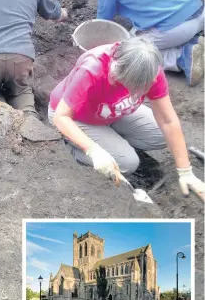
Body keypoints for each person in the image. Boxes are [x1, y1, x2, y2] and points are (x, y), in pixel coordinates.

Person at [48, 36, 204, 200]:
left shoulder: (150, 72)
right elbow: (61, 116)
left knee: (160, 135)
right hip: (74, 117)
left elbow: (168, 121)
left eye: (120, 82)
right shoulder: (92, 68)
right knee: (127, 163)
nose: (112, 79)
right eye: (114, 76)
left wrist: (186, 172)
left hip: (109, 113)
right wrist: (94, 151)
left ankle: (110, 140)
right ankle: (71, 146)